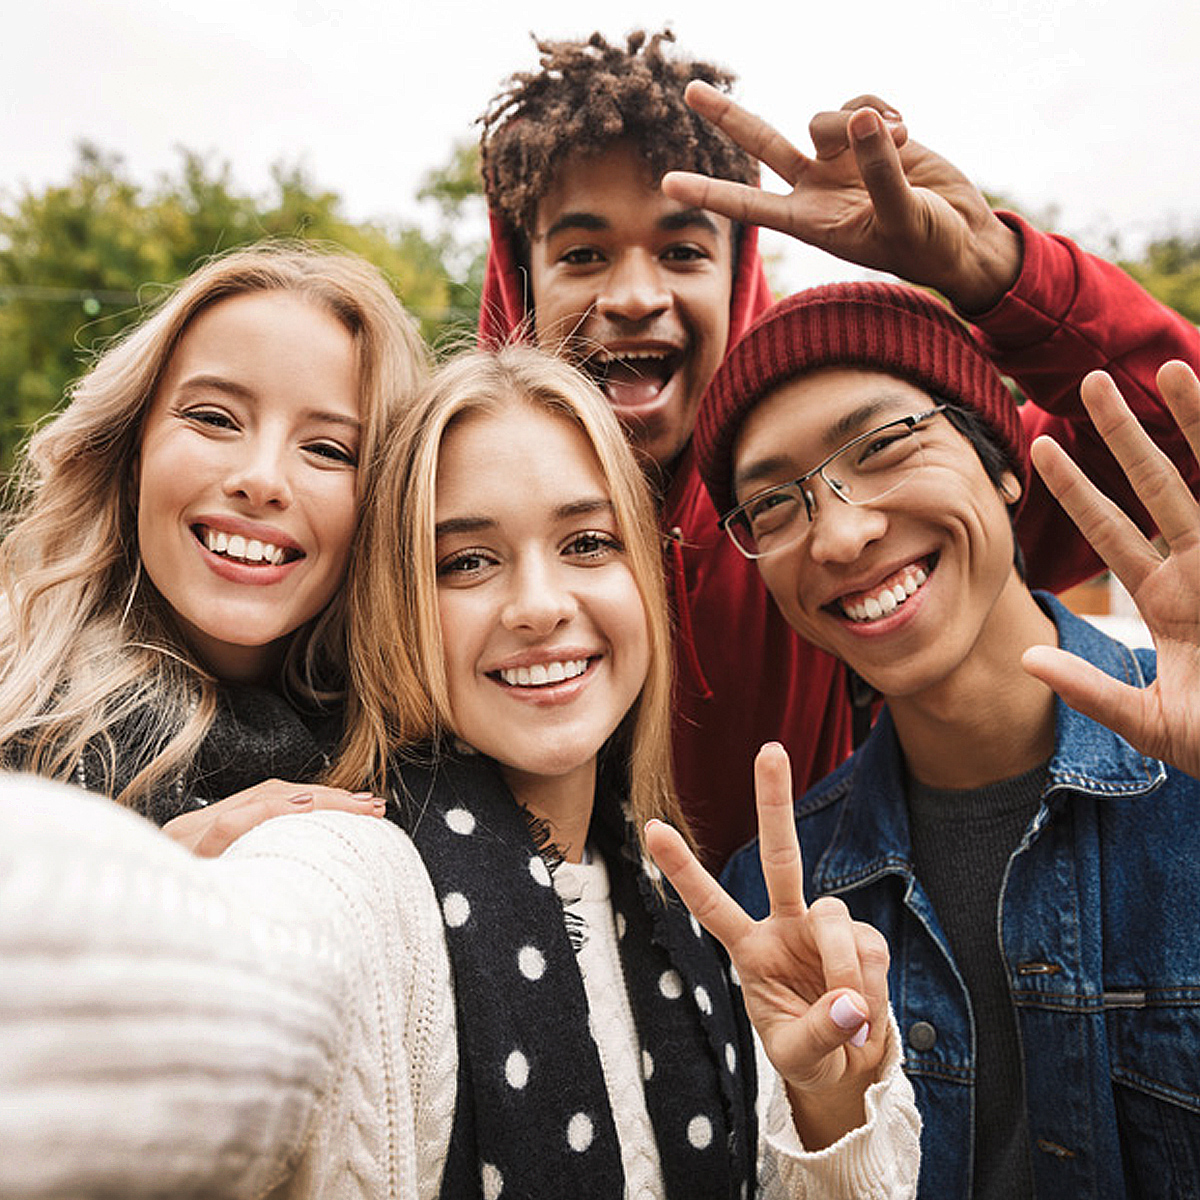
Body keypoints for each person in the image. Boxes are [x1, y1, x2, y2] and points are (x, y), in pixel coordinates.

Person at [0, 345, 921, 1198]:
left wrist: (824, 1099)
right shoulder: (351, 868)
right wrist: (155, 929)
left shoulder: (690, 921)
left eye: (587, 544)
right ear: (395, 605)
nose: (537, 605)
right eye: (467, 561)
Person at [477, 29, 1200, 869]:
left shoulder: (874, 511)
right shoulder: (433, 509)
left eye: (682, 251)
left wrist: (991, 269)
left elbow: (1172, 442)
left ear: (741, 276)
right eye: (582, 254)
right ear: (518, 281)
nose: (636, 295)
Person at [694, 281, 1200, 1198]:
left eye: (885, 445)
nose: (841, 535)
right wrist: (829, 1124)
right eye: (773, 505)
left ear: (1003, 464)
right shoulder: (775, 906)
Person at [0, 243, 429, 849]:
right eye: (214, 418)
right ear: (131, 457)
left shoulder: (432, 769)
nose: (261, 480)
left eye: (329, 450)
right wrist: (157, 884)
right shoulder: (15, 716)